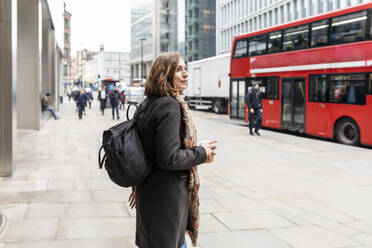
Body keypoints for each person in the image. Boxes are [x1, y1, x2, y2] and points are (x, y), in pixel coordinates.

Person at [128, 52, 217, 248]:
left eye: (185, 69)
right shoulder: (169, 106)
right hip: (165, 197)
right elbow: (170, 158)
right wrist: (201, 152)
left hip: (150, 192)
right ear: (164, 73)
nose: (185, 74)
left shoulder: (147, 104)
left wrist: (136, 185)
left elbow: (143, 150)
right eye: (178, 69)